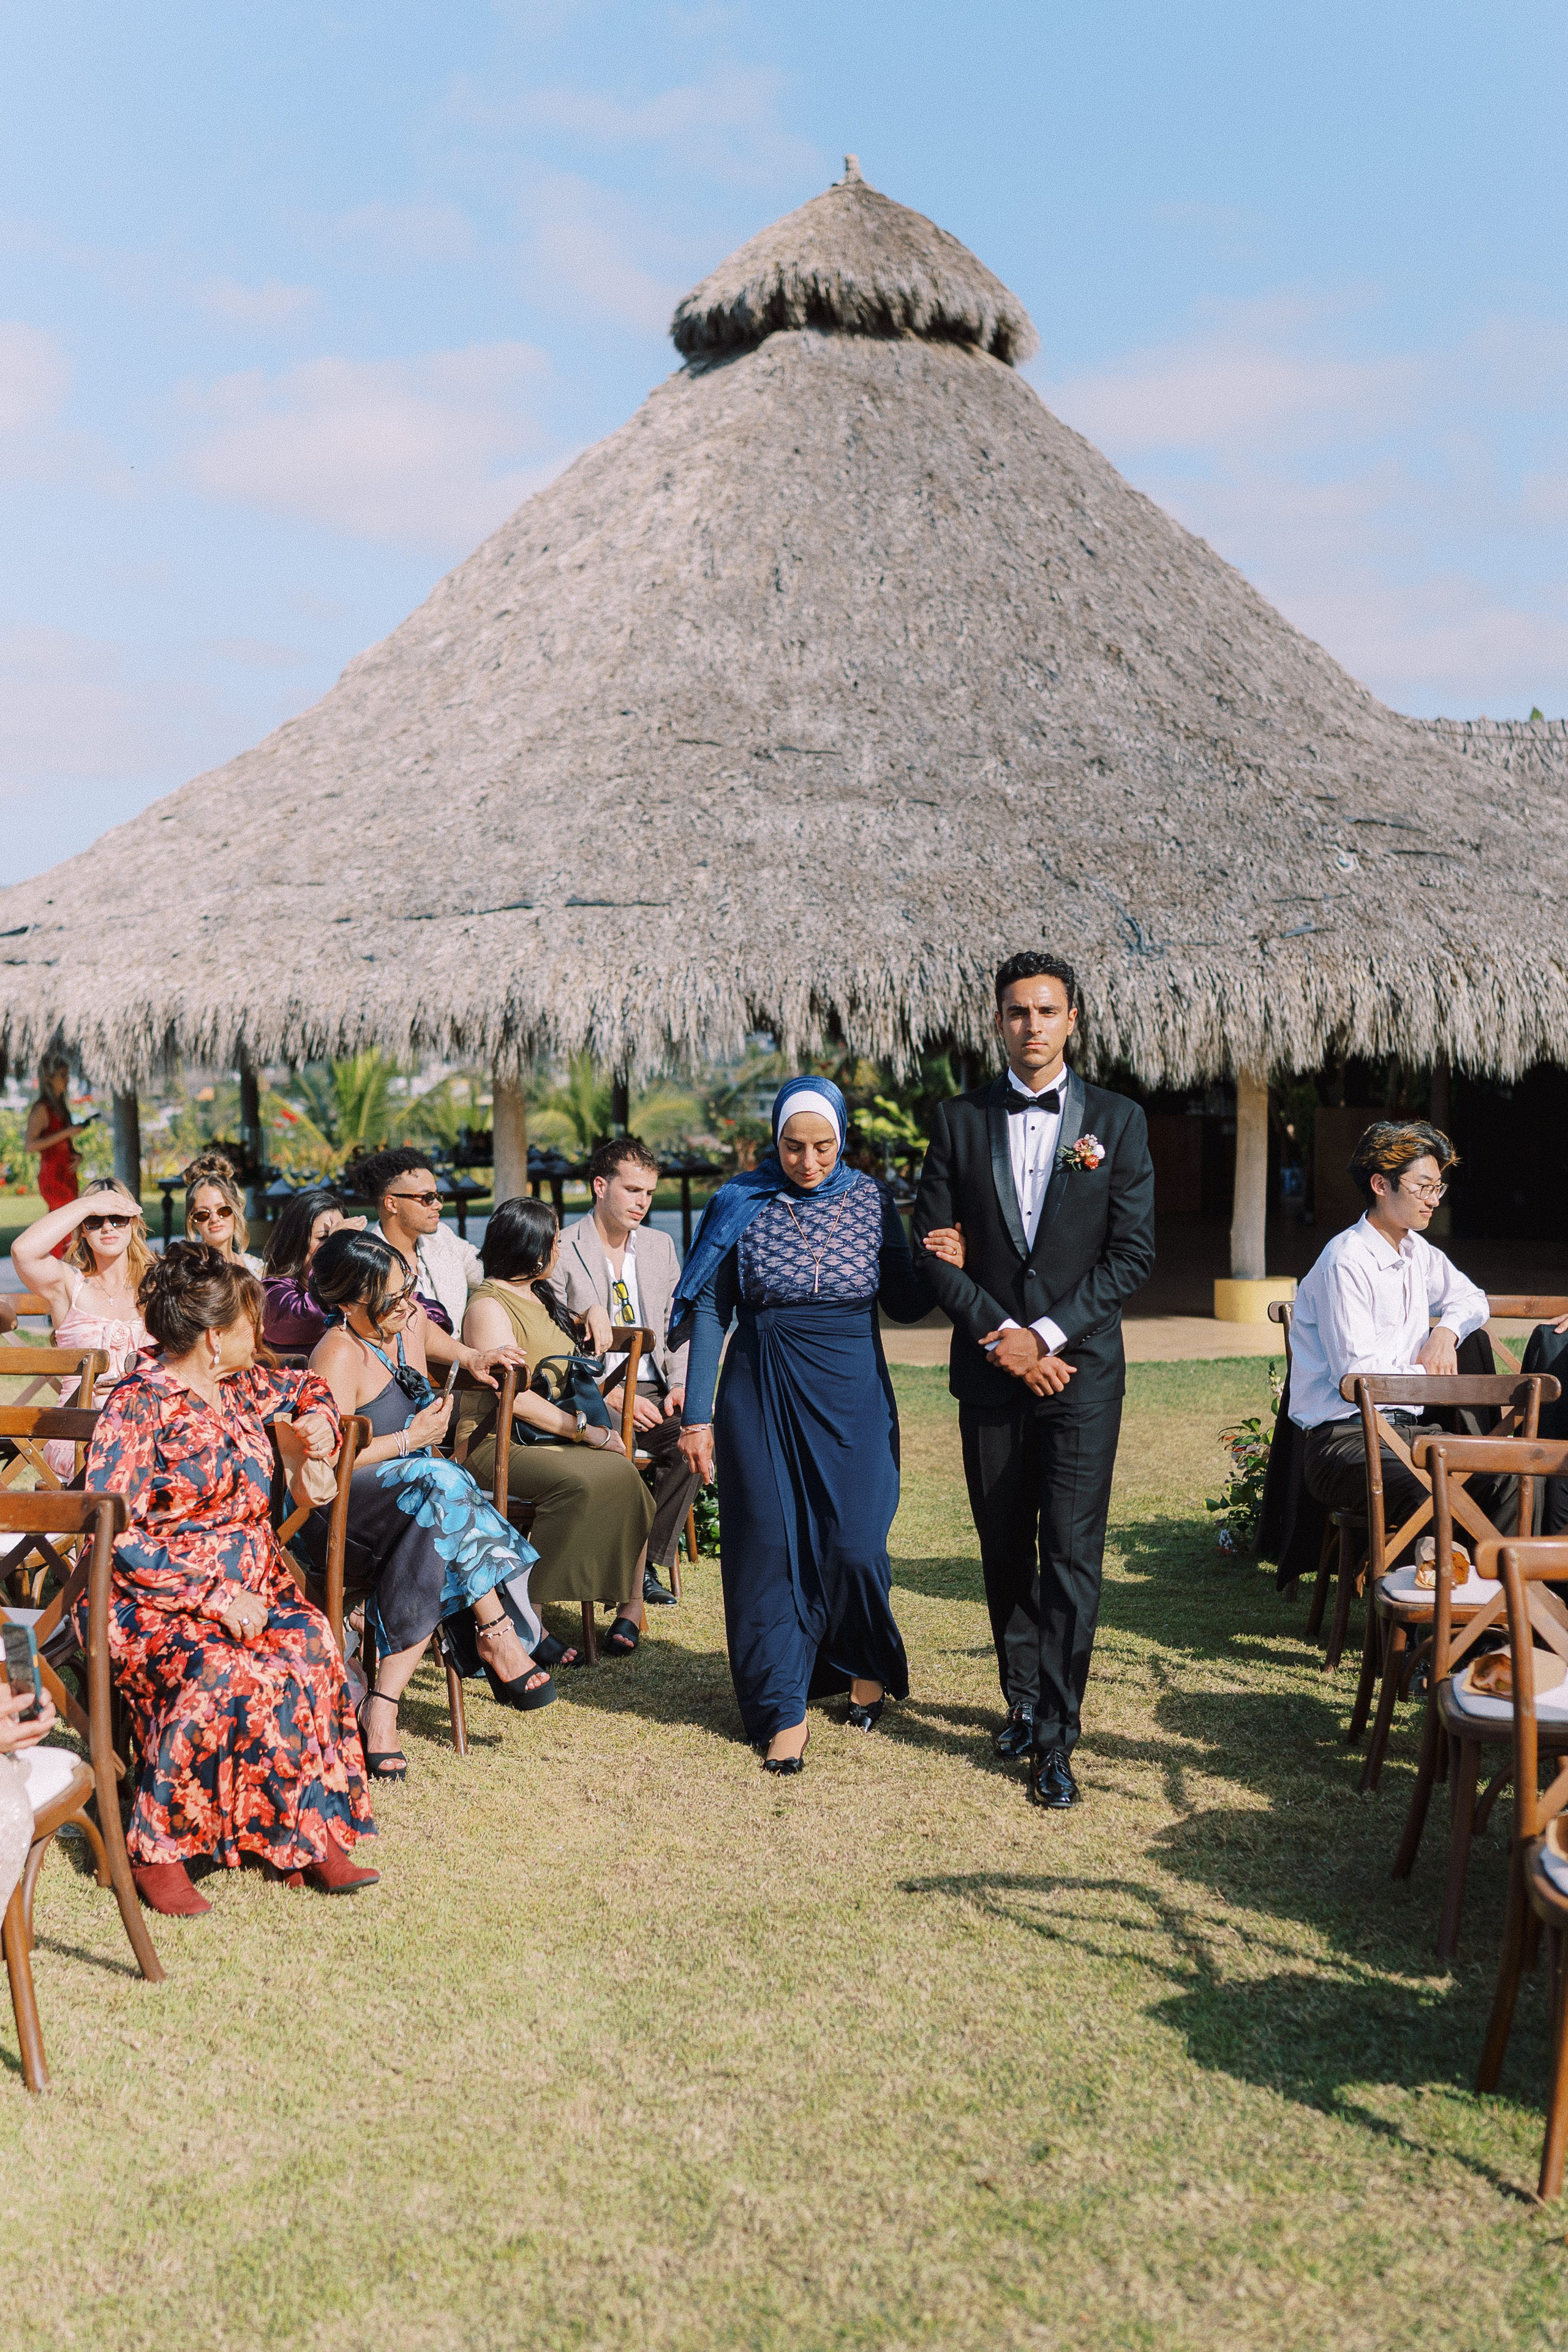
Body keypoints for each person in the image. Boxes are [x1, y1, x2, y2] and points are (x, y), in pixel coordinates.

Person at [913, 951, 1156, 1811]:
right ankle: (1020, 1700)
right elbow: (933, 1251)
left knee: (1073, 1555)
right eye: (1017, 1011)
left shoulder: (1118, 1122)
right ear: (998, 1021)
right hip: (990, 1375)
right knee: (1004, 1543)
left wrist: (1043, 1337)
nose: (1032, 1025)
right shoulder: (956, 1120)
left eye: (1047, 1011)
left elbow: (1131, 1255)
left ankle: (1057, 1736)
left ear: (1072, 1020)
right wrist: (1002, 1338)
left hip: (1081, 1375)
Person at [82, 1244, 379, 1915]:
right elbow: (114, 1534)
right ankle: (156, 1849)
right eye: (251, 1323)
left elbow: (309, 1386)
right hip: (153, 1599)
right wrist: (213, 1597)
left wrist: (319, 1421)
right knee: (221, 1668)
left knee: (311, 1645)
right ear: (214, 1337)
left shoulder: (242, 1386)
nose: (262, 1334)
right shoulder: (138, 1405)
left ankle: (308, 1832)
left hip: (258, 1588)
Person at [671, 1076, 943, 1773]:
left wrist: (943, 1262)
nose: (808, 1161)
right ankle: (782, 1710)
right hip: (759, 1387)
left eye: (823, 1146)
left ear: (842, 1139)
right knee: (766, 1551)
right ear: (776, 1139)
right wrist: (697, 1416)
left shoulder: (872, 1199)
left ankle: (864, 1664)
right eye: (793, 1146)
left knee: (856, 1545)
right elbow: (712, 1310)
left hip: (853, 1392)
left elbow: (904, 1302)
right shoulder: (741, 1200)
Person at [307, 1229, 556, 1778]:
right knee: (442, 1483)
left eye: (409, 1288)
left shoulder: (410, 1320)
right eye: (392, 1298)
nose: (408, 1305)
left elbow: (450, 1346)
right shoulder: (337, 1353)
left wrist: (477, 1355)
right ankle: (497, 1633)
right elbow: (327, 1464)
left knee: (435, 1513)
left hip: (416, 1510)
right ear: (349, 1304)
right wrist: (409, 1440)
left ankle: (382, 1707)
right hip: (341, 1515)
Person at [457, 1197, 655, 1656]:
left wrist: (596, 1311)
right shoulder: (488, 1306)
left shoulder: (541, 1295)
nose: (559, 1250)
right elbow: (515, 1397)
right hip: (496, 1441)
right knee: (580, 1484)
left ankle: (631, 1603)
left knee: (625, 1473)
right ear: (530, 1248)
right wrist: (586, 1431)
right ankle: (529, 1617)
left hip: (544, 1437)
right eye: (554, 1241)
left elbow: (563, 1338)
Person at [1289, 1121, 1496, 1537]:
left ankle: (1489, 1578)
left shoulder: (1417, 1251)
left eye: (1438, 1188)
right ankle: (1430, 1577)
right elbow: (1358, 1379)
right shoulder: (1346, 1262)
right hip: (1347, 1440)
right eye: (1423, 1187)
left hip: (1412, 1433)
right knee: (1433, 1490)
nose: (1433, 1200)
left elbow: (1474, 1299)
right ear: (1381, 1185)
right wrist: (1431, 1377)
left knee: (1506, 1478)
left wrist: (1446, 1334)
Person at [548, 1136, 699, 1608]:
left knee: (694, 1438)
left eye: (649, 1193)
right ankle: (629, 1571)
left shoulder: (659, 1245)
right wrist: (607, 1393)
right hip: (592, 1394)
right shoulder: (562, 1247)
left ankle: (645, 1561)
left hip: (654, 1388)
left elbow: (678, 1326)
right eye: (633, 1190)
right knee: (615, 1452)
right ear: (600, 1186)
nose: (643, 1202)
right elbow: (553, 1339)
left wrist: (681, 1386)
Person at [12, 1177, 154, 1477]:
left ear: (133, 1222)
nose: (107, 1227)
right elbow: (23, 1251)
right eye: (95, 1220)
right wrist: (85, 1204)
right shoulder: (67, 1284)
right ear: (82, 1229)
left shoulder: (156, 1285)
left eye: (117, 1218)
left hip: (148, 1424)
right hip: (80, 1437)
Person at [261, 1185, 364, 1352]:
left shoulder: (358, 1284)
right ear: (296, 1241)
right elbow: (311, 1319)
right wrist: (331, 1256)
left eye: (341, 1236)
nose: (338, 1245)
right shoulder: (273, 1292)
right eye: (324, 1237)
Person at [24, 1053, 85, 1228]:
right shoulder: (41, 1108)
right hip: (53, 1176)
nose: (67, 1079)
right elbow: (30, 1146)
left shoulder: (61, 1107)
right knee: (65, 1226)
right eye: (63, 1075)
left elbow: (64, 1144)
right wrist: (66, 1132)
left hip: (68, 1174)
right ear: (49, 1078)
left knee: (69, 1226)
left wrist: (76, 1156)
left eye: (67, 1075)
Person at [183, 1150, 265, 1274]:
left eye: (223, 1210)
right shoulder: (187, 1274)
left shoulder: (256, 1269)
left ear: (238, 1209)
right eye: (202, 1215)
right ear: (192, 1221)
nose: (214, 1219)